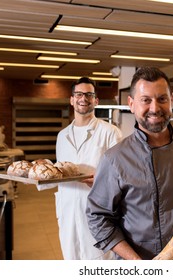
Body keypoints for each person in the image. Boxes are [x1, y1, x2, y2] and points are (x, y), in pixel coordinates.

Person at [86, 66, 173, 260]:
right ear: (131, 104)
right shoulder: (115, 159)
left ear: (171, 100)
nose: (155, 108)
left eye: (162, 99)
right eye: (146, 100)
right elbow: (98, 217)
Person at [54, 77, 122, 260]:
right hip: (67, 214)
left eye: (89, 95)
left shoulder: (110, 132)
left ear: (96, 100)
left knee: (99, 264)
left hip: (98, 214)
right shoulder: (62, 136)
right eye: (78, 94)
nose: (83, 98)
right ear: (71, 99)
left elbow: (123, 175)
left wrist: (102, 182)